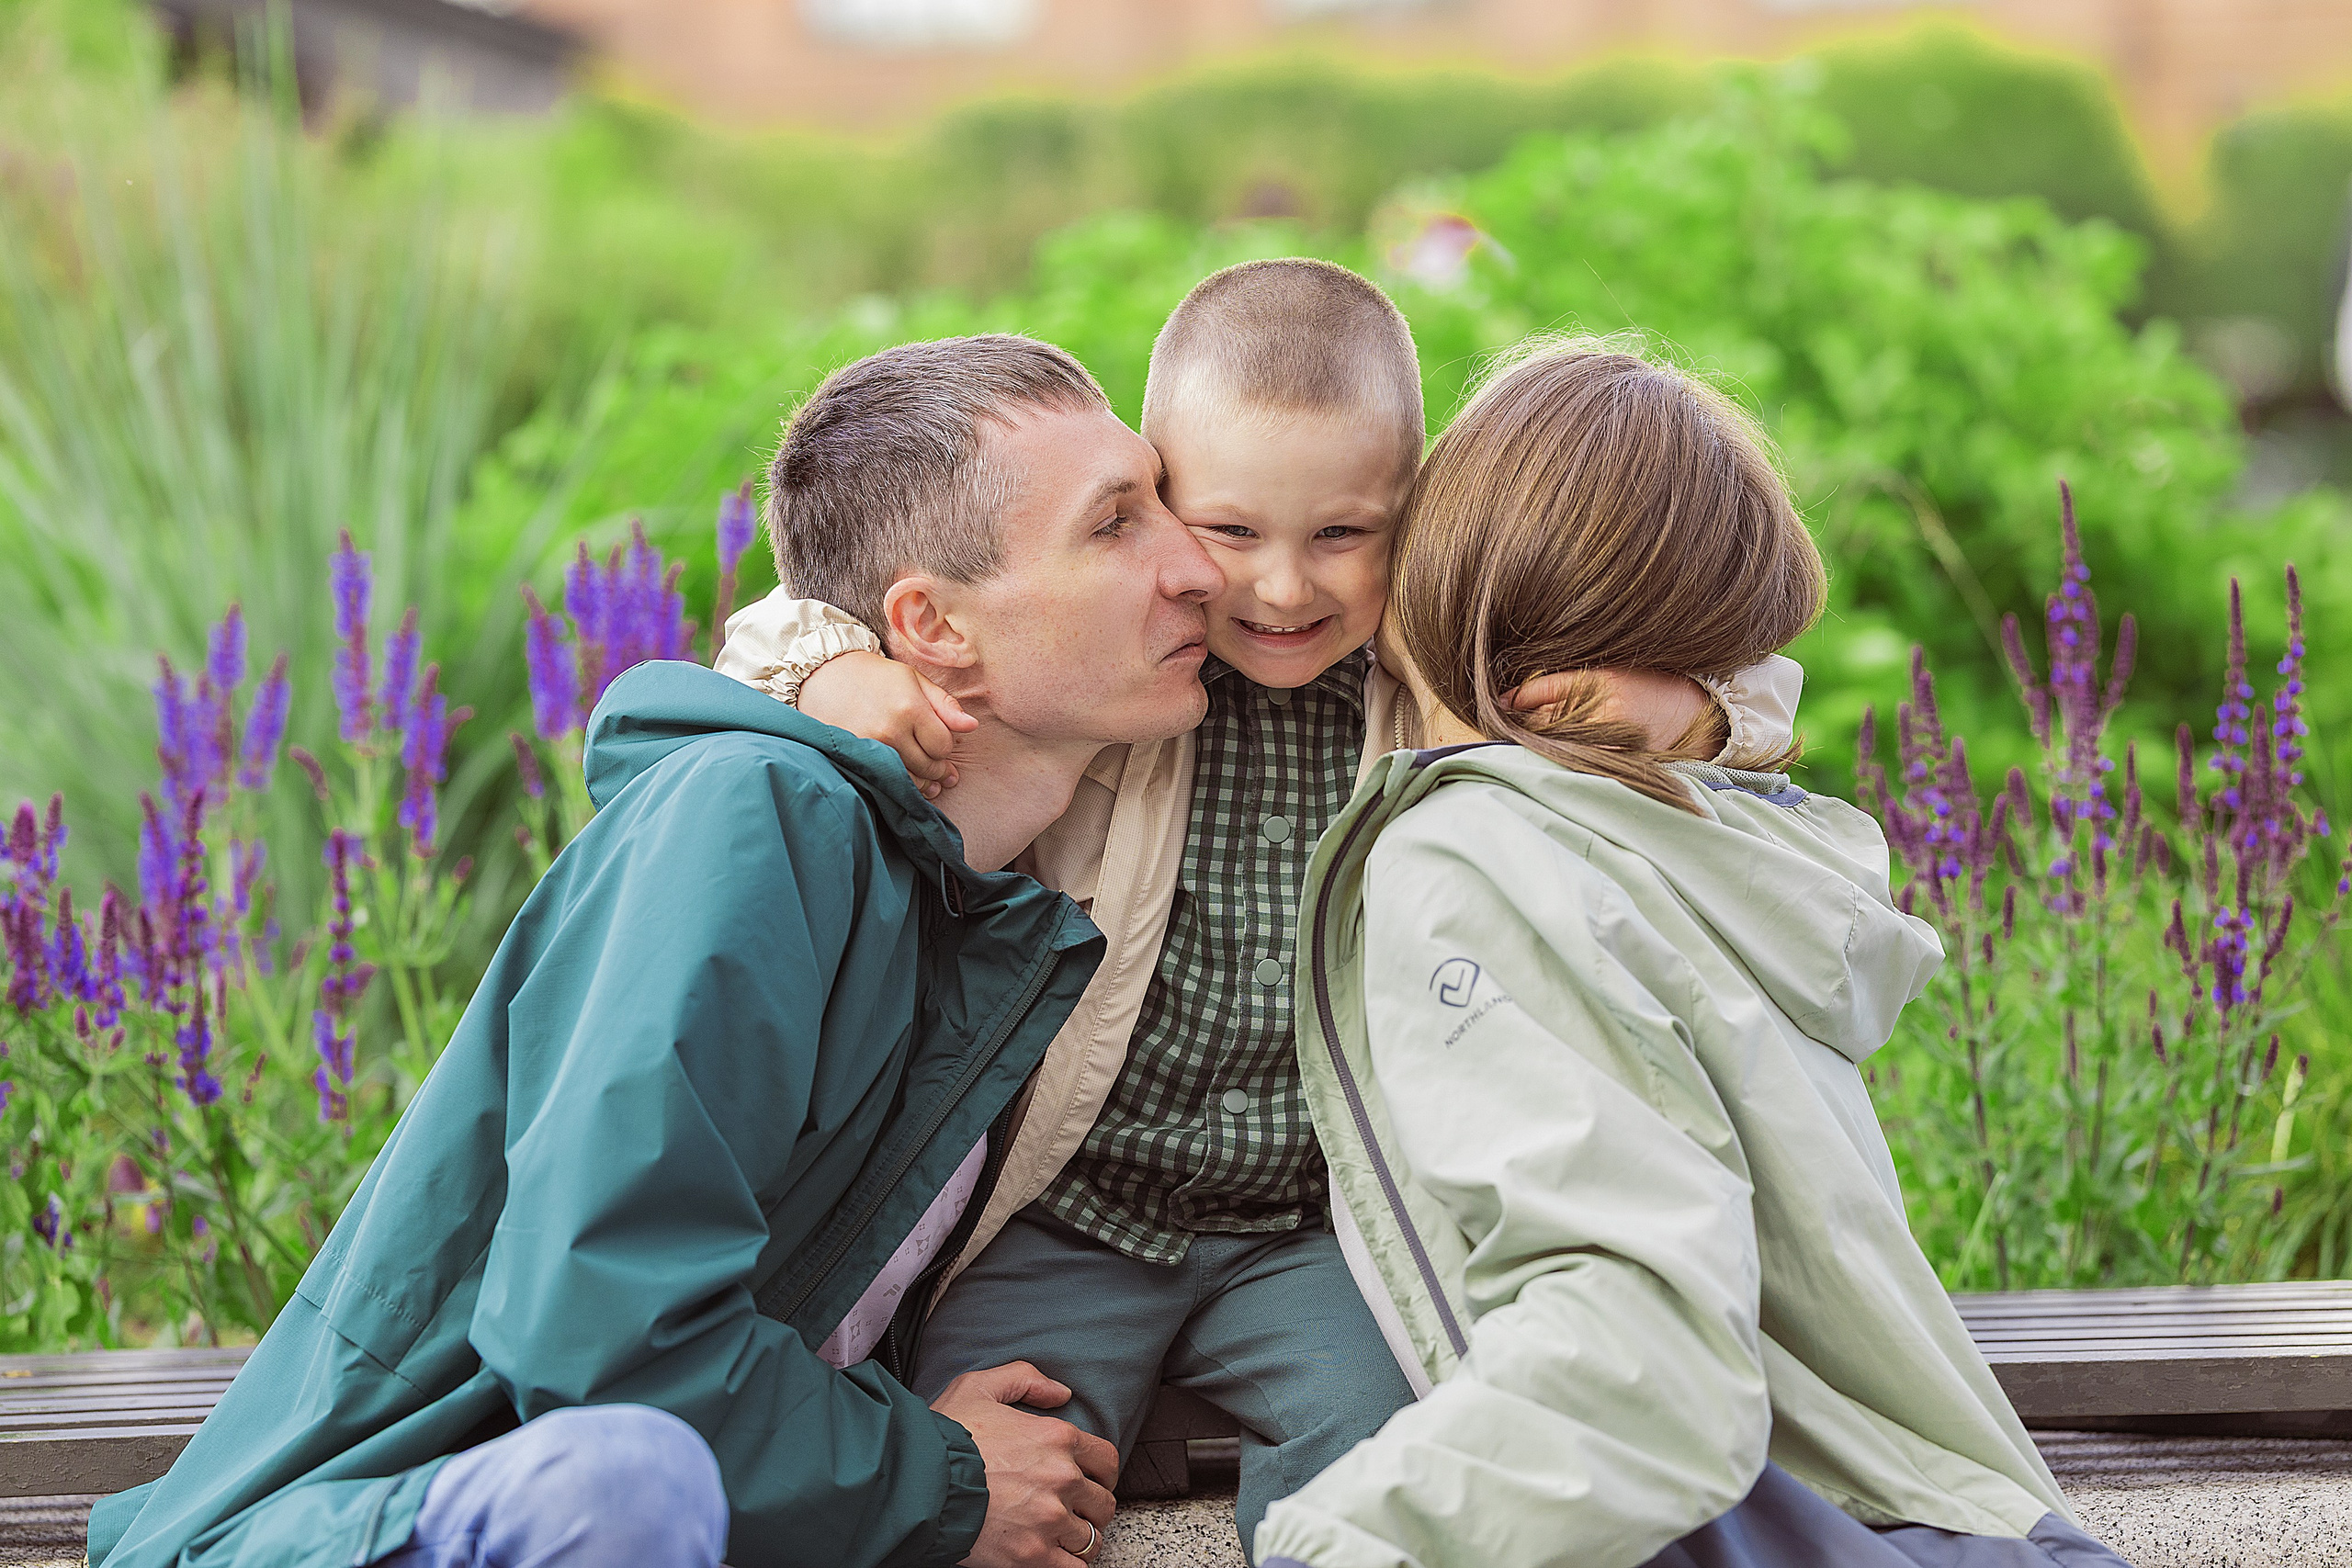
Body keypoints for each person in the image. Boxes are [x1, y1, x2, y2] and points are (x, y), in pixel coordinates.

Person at [86, 333, 1226, 1568]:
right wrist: (933, 1478)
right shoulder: (756, 818)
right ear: (932, 627)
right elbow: (605, 1347)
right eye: (1116, 525)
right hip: (391, 1531)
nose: (1195, 564)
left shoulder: (960, 902)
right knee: (628, 1482)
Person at [720, 262, 1804, 1558]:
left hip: (1316, 1227)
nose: (1284, 590)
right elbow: (795, 616)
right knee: (1002, 1461)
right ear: (1152, 498)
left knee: (1394, 1444)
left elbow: (1739, 680)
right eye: (1230, 534)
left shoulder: (1436, 680)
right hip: (1076, 1210)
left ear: (1415, 517)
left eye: (1344, 535)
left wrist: (1697, 715)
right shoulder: (1114, 669)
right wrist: (834, 666)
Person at [1250, 342, 2134, 1568]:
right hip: (1967, 1530)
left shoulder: (1473, 858)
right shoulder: (1702, 828)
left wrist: (1331, 1549)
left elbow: (1642, 1355)